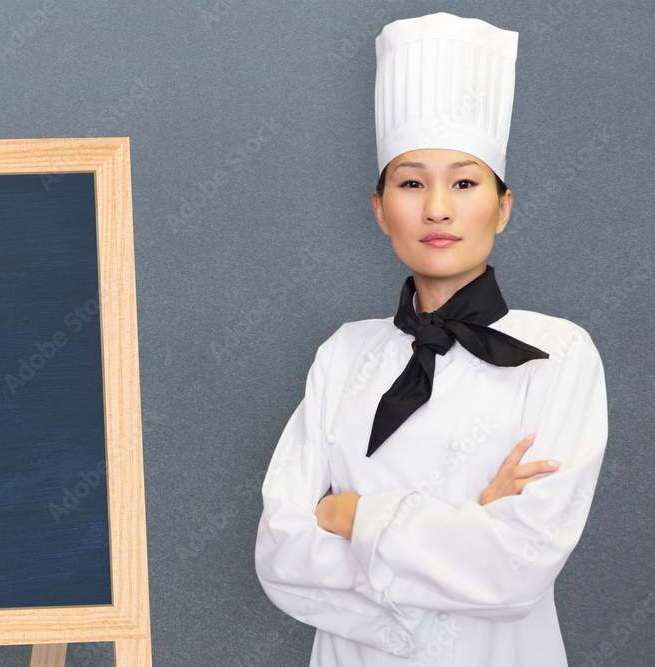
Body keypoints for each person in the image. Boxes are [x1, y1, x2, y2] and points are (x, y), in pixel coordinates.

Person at [254, 12, 607, 667]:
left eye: (465, 182)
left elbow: (518, 567)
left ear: (503, 206)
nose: (438, 207)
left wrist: (351, 514)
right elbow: (280, 553)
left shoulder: (561, 356)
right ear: (380, 206)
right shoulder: (341, 354)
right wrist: (465, 528)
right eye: (412, 182)